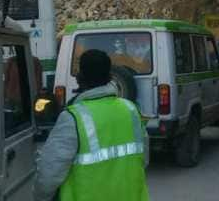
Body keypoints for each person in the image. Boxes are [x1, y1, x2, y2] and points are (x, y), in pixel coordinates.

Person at [34, 49, 149, 201]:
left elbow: (49, 175)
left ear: (80, 78)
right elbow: (144, 159)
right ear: (110, 77)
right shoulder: (131, 110)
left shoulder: (72, 118)